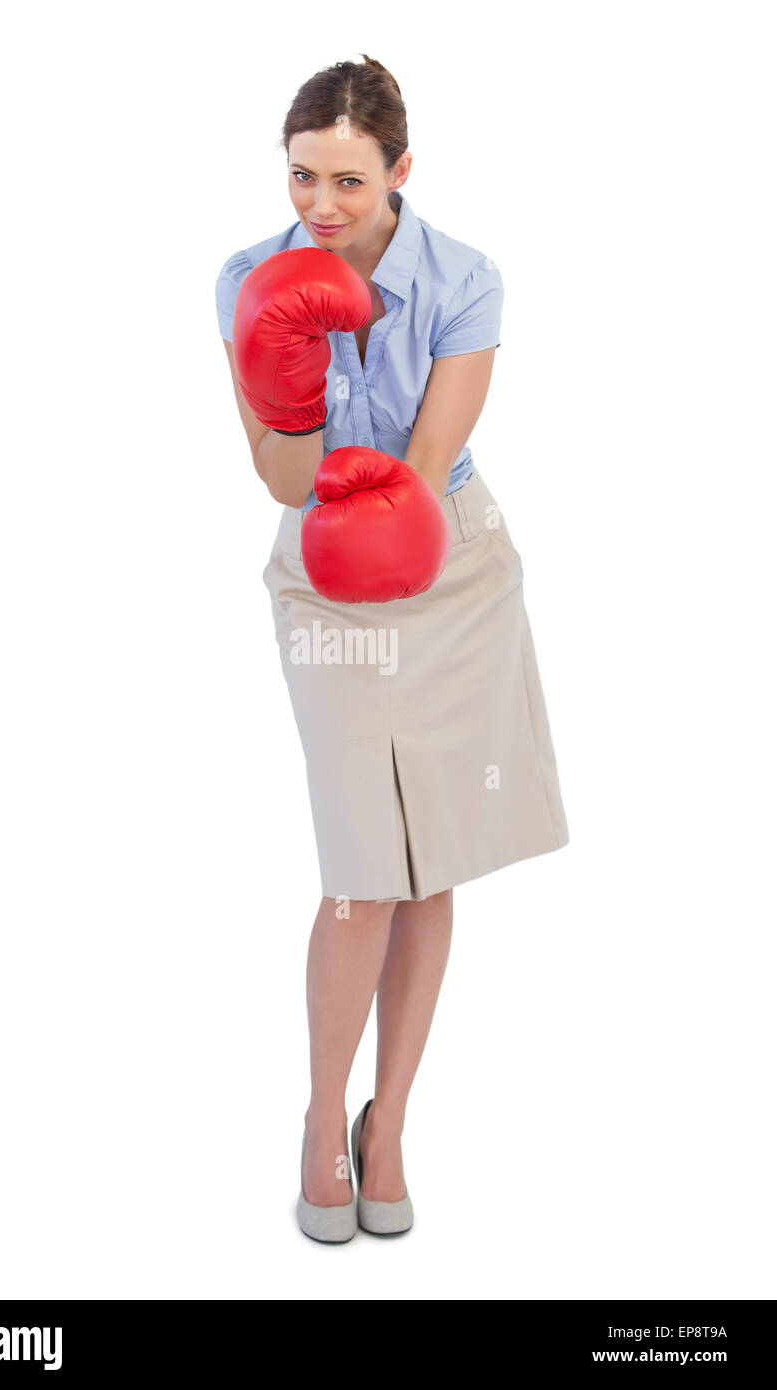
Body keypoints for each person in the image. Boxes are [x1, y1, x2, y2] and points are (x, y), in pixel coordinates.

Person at [215, 54, 569, 1242]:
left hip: (447, 560)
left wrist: (377, 498)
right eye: (303, 176)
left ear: (400, 172)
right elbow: (276, 473)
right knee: (362, 869)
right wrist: (292, 362)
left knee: (429, 865)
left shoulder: (465, 279)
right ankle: (322, 1124)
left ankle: (392, 1125)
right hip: (323, 578)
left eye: (348, 184)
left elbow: (416, 484)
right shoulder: (250, 278)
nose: (319, 205)